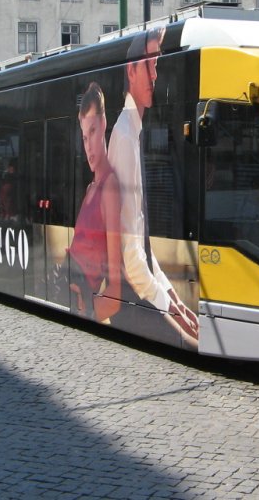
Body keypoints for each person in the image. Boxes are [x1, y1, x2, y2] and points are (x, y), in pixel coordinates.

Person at [108, 27, 199, 348]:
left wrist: (175, 297)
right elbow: (131, 251)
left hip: (142, 291)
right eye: (150, 64)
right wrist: (170, 307)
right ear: (131, 70)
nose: (155, 74)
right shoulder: (123, 135)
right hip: (132, 299)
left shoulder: (133, 130)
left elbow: (141, 241)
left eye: (158, 64)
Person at [65, 82, 123, 322]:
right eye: (84, 136)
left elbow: (115, 293)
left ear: (104, 125)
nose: (88, 145)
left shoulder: (109, 186)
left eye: (93, 131)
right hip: (65, 283)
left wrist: (87, 309)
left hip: (75, 293)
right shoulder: (91, 188)